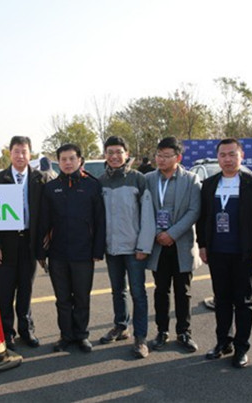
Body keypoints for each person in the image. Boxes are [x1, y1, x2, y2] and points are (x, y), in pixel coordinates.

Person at [196, 138, 252, 368]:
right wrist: (202, 245)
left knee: (243, 302)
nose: (227, 159)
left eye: (232, 154)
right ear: (217, 158)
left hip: (243, 254)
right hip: (217, 252)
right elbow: (203, 219)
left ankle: (241, 347)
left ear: (241, 156)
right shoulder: (209, 184)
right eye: (223, 155)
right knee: (222, 300)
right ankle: (223, 342)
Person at [37, 143, 105, 353]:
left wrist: (97, 250)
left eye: (71, 158)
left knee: (82, 298)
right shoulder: (51, 188)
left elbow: (100, 220)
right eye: (63, 159)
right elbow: (43, 222)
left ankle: (82, 335)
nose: (67, 163)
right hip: (58, 254)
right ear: (58, 162)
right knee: (63, 299)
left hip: (84, 253)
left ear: (80, 160)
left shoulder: (92, 185)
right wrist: (41, 252)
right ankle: (66, 336)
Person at [98, 136, 155, 358]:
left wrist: (144, 246)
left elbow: (147, 215)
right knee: (117, 290)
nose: (114, 156)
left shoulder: (138, 179)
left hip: (134, 248)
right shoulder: (101, 181)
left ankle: (141, 338)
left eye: (118, 152)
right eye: (110, 152)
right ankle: (121, 326)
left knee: (138, 293)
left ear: (126, 154)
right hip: (112, 248)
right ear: (105, 155)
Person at [145, 136, 202, 353]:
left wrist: (172, 233)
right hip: (158, 244)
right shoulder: (148, 179)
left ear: (178, 158)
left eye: (166, 156)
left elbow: (194, 211)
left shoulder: (191, 180)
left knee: (183, 291)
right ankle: (162, 331)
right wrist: (158, 233)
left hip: (181, 244)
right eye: (158, 155)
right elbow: (144, 209)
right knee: (161, 290)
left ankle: (184, 332)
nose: (161, 159)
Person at [0, 136, 45, 349]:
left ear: (30, 154)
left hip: (29, 242)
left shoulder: (40, 179)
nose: (20, 156)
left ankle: (26, 330)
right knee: (4, 291)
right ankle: (6, 332)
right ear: (10, 154)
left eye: (24, 151)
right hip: (5, 245)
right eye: (16, 151)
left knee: (26, 290)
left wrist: (42, 247)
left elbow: (45, 214)